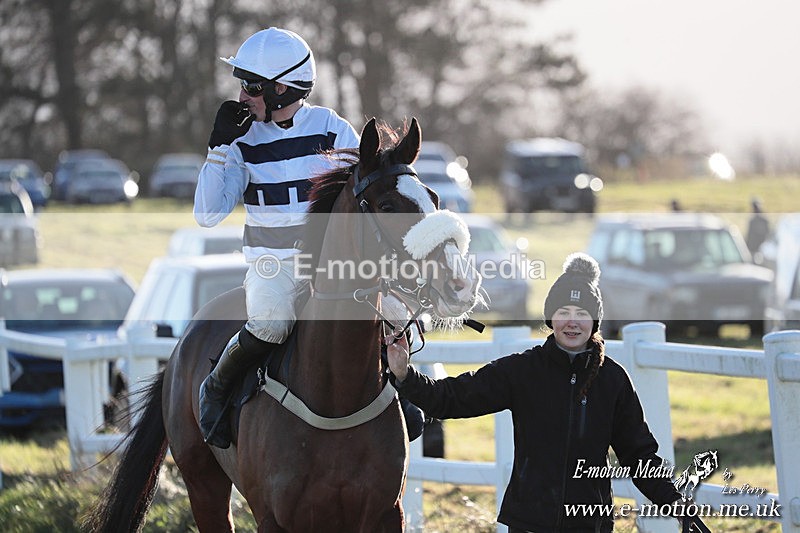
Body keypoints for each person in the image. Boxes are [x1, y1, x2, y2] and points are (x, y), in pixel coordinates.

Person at [386, 253, 693, 532]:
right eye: (564, 311)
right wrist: (405, 375)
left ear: (595, 322)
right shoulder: (523, 371)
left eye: (581, 313)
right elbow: (451, 397)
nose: (572, 321)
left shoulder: (612, 380)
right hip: (529, 522)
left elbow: (639, 455)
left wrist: (678, 507)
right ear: (550, 318)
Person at [193, 28, 361, 448]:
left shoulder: (332, 129)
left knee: (389, 310)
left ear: (281, 89)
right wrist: (218, 148)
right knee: (270, 325)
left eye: (250, 86)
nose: (241, 96)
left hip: (329, 266)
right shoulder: (240, 140)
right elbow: (207, 214)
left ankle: (403, 392)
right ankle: (216, 385)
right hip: (272, 267)